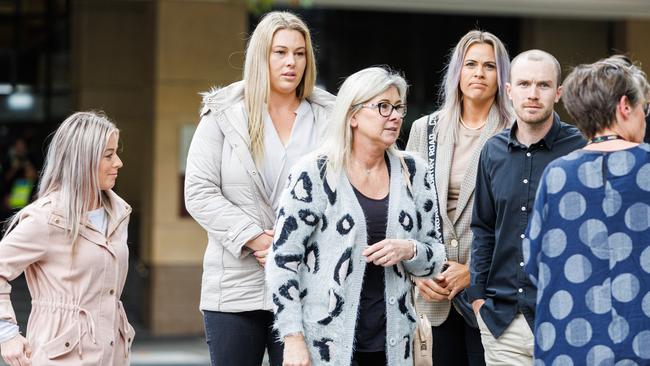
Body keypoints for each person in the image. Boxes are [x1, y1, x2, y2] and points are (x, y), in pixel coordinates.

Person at [266, 67, 446, 366]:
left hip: (393, 347)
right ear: (352, 116)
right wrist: (293, 338)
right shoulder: (316, 172)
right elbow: (282, 260)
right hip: (324, 346)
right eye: (383, 107)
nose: (395, 116)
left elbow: (435, 256)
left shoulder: (414, 172)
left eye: (398, 107)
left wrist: (410, 249)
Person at [184, 11, 334, 366]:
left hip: (306, 284)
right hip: (235, 287)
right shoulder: (223, 113)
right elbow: (199, 190)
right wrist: (256, 237)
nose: (290, 62)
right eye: (280, 52)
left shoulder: (330, 117)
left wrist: (288, 245)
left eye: (299, 53)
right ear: (260, 56)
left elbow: (343, 197)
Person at [523, 55, 650, 364]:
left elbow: (533, 262)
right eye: (644, 108)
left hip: (569, 339)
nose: (645, 119)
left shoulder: (557, 175)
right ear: (624, 106)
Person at [468, 50, 586, 365]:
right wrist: (478, 297)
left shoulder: (581, 150)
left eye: (543, 85)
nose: (532, 94)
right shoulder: (492, 152)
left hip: (563, 318)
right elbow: (482, 227)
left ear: (558, 93)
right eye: (524, 84)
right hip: (502, 321)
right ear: (509, 91)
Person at [406, 29, 513, 366]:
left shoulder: (513, 134)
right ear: (457, 72)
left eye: (489, 66)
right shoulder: (426, 129)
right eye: (470, 64)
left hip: (490, 298)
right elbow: (404, 209)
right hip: (432, 294)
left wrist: (473, 272)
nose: (478, 73)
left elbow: (519, 222)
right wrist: (417, 271)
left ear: (502, 78)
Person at [0, 111, 134, 365]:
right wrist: (6, 334)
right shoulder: (47, 218)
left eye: (116, 152)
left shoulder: (119, 213)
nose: (118, 162)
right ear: (82, 160)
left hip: (114, 355)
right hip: (61, 357)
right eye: (108, 155)